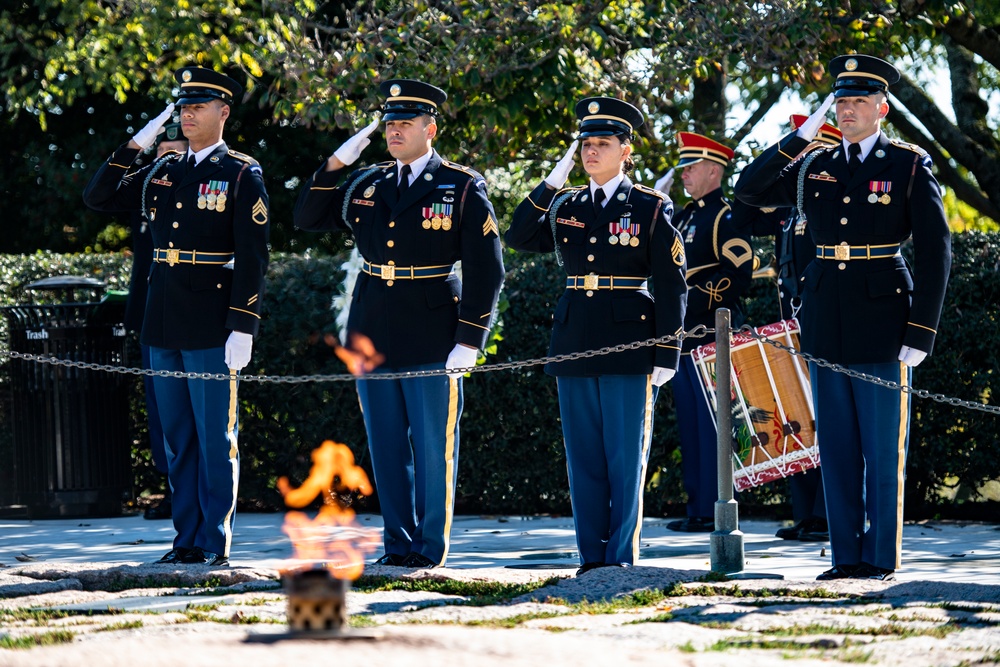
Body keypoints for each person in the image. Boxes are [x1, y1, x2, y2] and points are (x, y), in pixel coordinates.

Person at [734, 54, 951, 580]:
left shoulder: (907, 164)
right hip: (827, 316)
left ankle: (879, 558)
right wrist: (798, 138)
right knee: (837, 446)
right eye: (840, 100)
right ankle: (846, 556)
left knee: (880, 448)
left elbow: (936, 248)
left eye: (858, 100)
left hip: (884, 319)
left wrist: (921, 329)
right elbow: (749, 190)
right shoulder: (816, 164)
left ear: (882, 108)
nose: (847, 109)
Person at [294, 79, 504, 569]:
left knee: (433, 448)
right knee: (386, 447)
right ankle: (398, 544)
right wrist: (335, 165)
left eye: (405, 124)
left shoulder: (461, 185)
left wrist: (470, 337)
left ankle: (429, 548)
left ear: (430, 129)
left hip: (433, 329)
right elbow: (307, 217)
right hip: (373, 330)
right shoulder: (368, 183)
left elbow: (486, 268)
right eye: (389, 123)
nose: (394, 131)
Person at [83, 66, 270, 567]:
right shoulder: (162, 171)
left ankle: (213, 543)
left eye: (198, 107)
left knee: (214, 438)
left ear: (223, 113)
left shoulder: (240, 173)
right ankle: (185, 540)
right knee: (176, 439)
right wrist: (142, 139)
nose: (187, 114)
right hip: (161, 318)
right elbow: (98, 196)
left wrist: (243, 326)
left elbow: (253, 258)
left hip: (211, 320)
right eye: (182, 107)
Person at [506, 98, 687, 575]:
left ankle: (620, 557)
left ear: (626, 151)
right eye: (585, 144)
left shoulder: (650, 206)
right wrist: (553, 179)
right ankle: (591, 557)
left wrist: (668, 350)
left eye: (602, 144)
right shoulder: (566, 205)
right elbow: (519, 235)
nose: (591, 152)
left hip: (630, 341)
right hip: (575, 337)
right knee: (584, 457)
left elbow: (672, 285)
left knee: (625, 457)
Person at [739, 114, 843, 543]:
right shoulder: (791, 207)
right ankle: (807, 515)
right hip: (792, 326)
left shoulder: (832, 197)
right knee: (797, 420)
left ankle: (829, 514)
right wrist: (786, 149)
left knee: (829, 421)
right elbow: (746, 201)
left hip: (825, 320)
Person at [659, 132, 753, 533]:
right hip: (685, 334)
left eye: (692, 167)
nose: (685, 174)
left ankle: (716, 508)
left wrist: (690, 301)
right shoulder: (681, 216)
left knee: (714, 425)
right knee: (691, 424)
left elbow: (738, 273)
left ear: (714, 170)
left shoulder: (724, 216)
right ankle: (698, 506)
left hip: (712, 332)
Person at [128, 122, 188, 522]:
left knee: (195, 410)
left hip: (191, 315)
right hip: (151, 313)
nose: (165, 159)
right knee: (160, 408)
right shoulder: (146, 191)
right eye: (160, 152)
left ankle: (193, 488)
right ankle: (171, 486)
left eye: (174, 151)